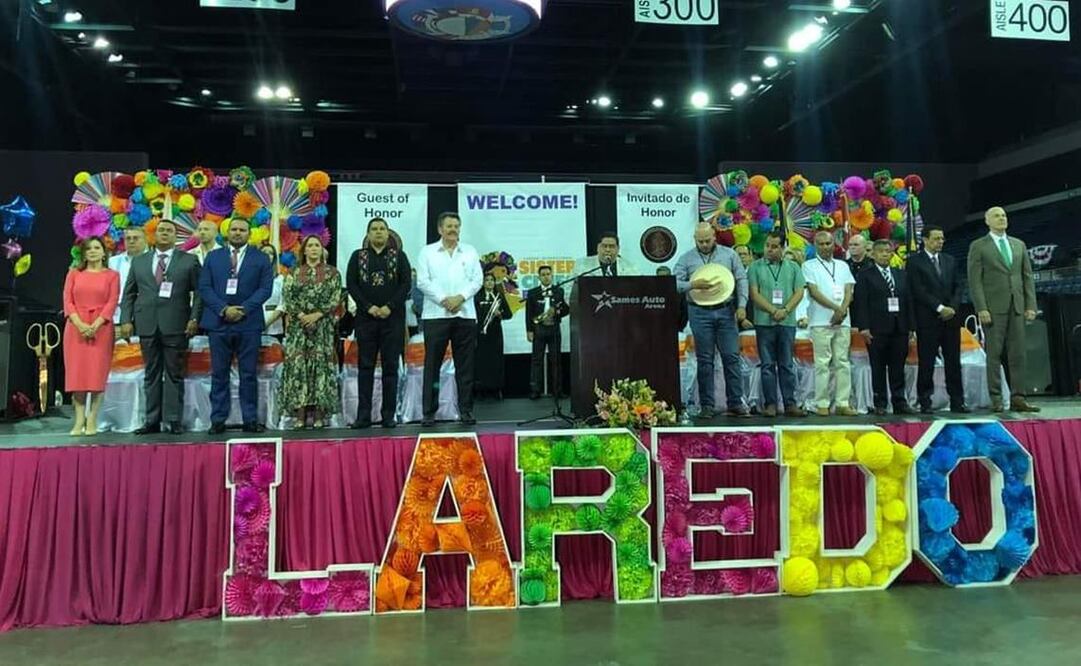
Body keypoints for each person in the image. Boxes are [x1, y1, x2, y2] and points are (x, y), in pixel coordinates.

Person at [118, 219, 202, 434]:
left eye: (169, 231)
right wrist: (126, 320)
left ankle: (173, 420)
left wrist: (194, 319)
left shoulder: (189, 261)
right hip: (146, 324)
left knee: (174, 373)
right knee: (151, 374)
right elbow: (128, 294)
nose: (165, 233)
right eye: (161, 230)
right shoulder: (139, 261)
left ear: (176, 237)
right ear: (153, 235)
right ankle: (152, 420)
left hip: (176, 324)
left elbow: (200, 294)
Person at [198, 218, 274, 434]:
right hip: (218, 323)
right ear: (227, 232)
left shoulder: (260, 258)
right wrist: (224, 309)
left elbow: (265, 289)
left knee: (248, 374)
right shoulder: (213, 257)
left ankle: (250, 419)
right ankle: (218, 420)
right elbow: (204, 287)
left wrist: (243, 309)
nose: (238, 233)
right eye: (234, 229)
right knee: (219, 373)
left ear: (249, 234)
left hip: (248, 323)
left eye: (242, 230)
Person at [967, 206, 1040, 413]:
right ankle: (996, 398)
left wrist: (1030, 305)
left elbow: (1027, 276)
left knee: (1019, 354)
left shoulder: (1018, 244)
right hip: (993, 307)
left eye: (1004, 216)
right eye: (997, 216)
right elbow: (975, 281)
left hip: (1016, 305)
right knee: (994, 354)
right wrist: (981, 307)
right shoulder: (979, 246)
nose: (1002, 218)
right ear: (987, 221)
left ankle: (1019, 397)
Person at [674, 223, 749, 419]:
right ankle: (706, 405)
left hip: (726, 311)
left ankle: (735, 403)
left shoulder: (729, 255)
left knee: (731, 358)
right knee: (705, 360)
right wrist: (692, 284)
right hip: (699, 312)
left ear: (714, 236)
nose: (705, 244)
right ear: (694, 239)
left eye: (708, 240)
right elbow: (673, 283)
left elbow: (741, 279)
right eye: (701, 241)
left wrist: (742, 306)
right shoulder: (686, 258)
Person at [417, 212, 483, 426]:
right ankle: (429, 412)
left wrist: (460, 298)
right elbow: (423, 282)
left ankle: (466, 410)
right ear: (440, 229)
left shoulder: (470, 252)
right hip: (436, 316)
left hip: (465, 315)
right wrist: (445, 300)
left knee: (466, 366)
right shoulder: (427, 252)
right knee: (432, 365)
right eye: (449, 226)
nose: (453, 229)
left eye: (456, 226)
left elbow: (477, 280)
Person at [346, 218, 411, 428]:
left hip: (392, 320)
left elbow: (406, 284)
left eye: (382, 229)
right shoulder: (358, 257)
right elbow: (352, 284)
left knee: (391, 368)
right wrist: (368, 307)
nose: (379, 232)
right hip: (366, 320)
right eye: (374, 229)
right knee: (365, 368)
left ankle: (388, 415)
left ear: (388, 233)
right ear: (368, 234)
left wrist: (389, 306)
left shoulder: (398, 256)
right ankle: (363, 416)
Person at [278, 235, 343, 429]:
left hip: (322, 326)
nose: (314, 249)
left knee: (320, 367)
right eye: (310, 245)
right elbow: (288, 297)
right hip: (299, 328)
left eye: (317, 245)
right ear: (304, 250)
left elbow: (335, 297)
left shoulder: (332, 273)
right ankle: (300, 414)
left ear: (322, 250)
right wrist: (301, 315)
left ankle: (319, 414)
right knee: (299, 367)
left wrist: (317, 315)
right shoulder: (293, 272)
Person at [907, 225, 968, 414]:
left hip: (950, 320)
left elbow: (958, 286)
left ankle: (957, 401)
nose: (940, 242)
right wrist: (940, 308)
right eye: (936, 239)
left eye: (942, 239)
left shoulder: (950, 260)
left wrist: (952, 308)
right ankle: (925, 401)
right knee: (926, 362)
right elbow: (919, 290)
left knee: (953, 362)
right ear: (925, 240)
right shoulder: (914, 262)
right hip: (928, 320)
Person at [63, 236, 120, 436]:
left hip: (101, 328)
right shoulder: (73, 273)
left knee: (96, 376)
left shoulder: (112, 275)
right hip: (75, 328)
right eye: (89, 248)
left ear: (104, 252)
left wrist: (96, 325)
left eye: (97, 248)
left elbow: (112, 302)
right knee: (77, 376)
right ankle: (79, 421)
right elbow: (67, 301)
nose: (93, 251)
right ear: (84, 253)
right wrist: (79, 324)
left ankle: (92, 419)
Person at [748, 231, 806, 417]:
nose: (769, 250)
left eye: (774, 246)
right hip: (764, 322)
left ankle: (790, 404)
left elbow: (799, 292)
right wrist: (773, 311)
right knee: (767, 365)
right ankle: (770, 404)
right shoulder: (755, 267)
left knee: (787, 364)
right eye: (767, 245)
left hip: (787, 322)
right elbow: (754, 294)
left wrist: (786, 310)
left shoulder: (794, 267)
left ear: (783, 247)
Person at [854, 240, 914, 415]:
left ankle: (899, 401)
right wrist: (864, 327)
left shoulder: (901, 274)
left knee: (898, 366)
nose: (885, 254)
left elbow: (908, 300)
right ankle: (880, 402)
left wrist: (911, 326)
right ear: (873, 254)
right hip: (876, 329)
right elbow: (861, 302)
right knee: (878, 366)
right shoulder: (866, 275)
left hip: (900, 327)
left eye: (888, 251)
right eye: (881, 251)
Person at [803, 231, 859, 416]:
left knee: (843, 362)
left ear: (834, 244)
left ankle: (843, 403)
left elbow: (849, 289)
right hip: (820, 321)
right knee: (822, 363)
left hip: (843, 321)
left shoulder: (842, 265)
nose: (826, 247)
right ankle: (822, 403)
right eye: (821, 244)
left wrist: (842, 310)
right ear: (815, 245)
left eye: (828, 243)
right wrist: (837, 308)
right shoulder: (808, 266)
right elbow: (814, 291)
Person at [527, 265, 569, 400]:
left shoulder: (559, 291)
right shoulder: (533, 293)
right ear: (539, 277)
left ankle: (557, 391)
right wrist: (529, 330)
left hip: (554, 329)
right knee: (536, 361)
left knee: (556, 361)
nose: (546, 276)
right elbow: (529, 314)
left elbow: (566, 310)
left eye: (548, 274)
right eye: (543, 274)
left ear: (552, 276)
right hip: (539, 329)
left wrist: (557, 312)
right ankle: (535, 390)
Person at [475, 273, 513, 400]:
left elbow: (509, 314)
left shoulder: (499, 296)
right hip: (481, 334)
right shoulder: (477, 297)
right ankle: (481, 390)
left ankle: (496, 389)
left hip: (495, 334)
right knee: (481, 362)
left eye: (492, 280)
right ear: (483, 282)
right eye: (487, 280)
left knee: (496, 362)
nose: (490, 282)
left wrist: (500, 313)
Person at [108, 226, 146, 326]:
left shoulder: (154, 260)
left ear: (145, 240)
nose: (131, 241)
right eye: (128, 238)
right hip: (118, 314)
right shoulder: (113, 261)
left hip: (146, 314)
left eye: (136, 238)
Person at [259, 244, 286, 340]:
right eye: (264, 252)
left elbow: (282, 305)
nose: (267, 255)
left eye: (271, 253)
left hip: (275, 329)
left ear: (274, 258)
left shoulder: (280, 279)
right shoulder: (249, 278)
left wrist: (266, 323)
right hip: (252, 328)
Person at [656, 266, 688, 331]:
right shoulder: (652, 294)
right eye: (660, 277)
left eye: (665, 277)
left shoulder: (679, 293)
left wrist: (679, 329)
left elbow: (685, 313)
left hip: (675, 329)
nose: (663, 280)